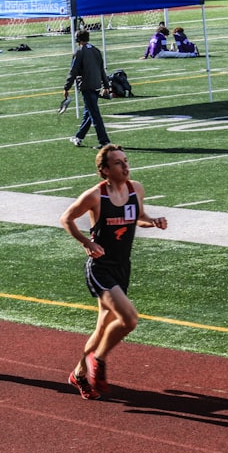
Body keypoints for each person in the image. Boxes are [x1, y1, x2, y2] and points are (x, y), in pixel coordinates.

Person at [61, 144, 168, 399]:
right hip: (100, 268)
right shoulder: (96, 196)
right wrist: (86, 242)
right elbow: (66, 218)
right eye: (118, 163)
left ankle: (78, 374)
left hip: (122, 268)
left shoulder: (135, 189)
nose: (125, 166)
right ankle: (98, 360)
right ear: (105, 169)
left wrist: (152, 221)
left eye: (126, 160)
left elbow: (138, 216)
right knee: (129, 319)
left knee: (102, 329)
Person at [64, 29, 111, 148]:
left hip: (86, 86)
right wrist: (106, 85)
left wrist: (66, 87)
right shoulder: (96, 50)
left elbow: (73, 71)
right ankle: (79, 137)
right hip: (96, 85)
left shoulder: (79, 52)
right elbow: (102, 70)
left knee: (94, 114)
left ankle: (104, 141)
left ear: (77, 39)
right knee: (88, 113)